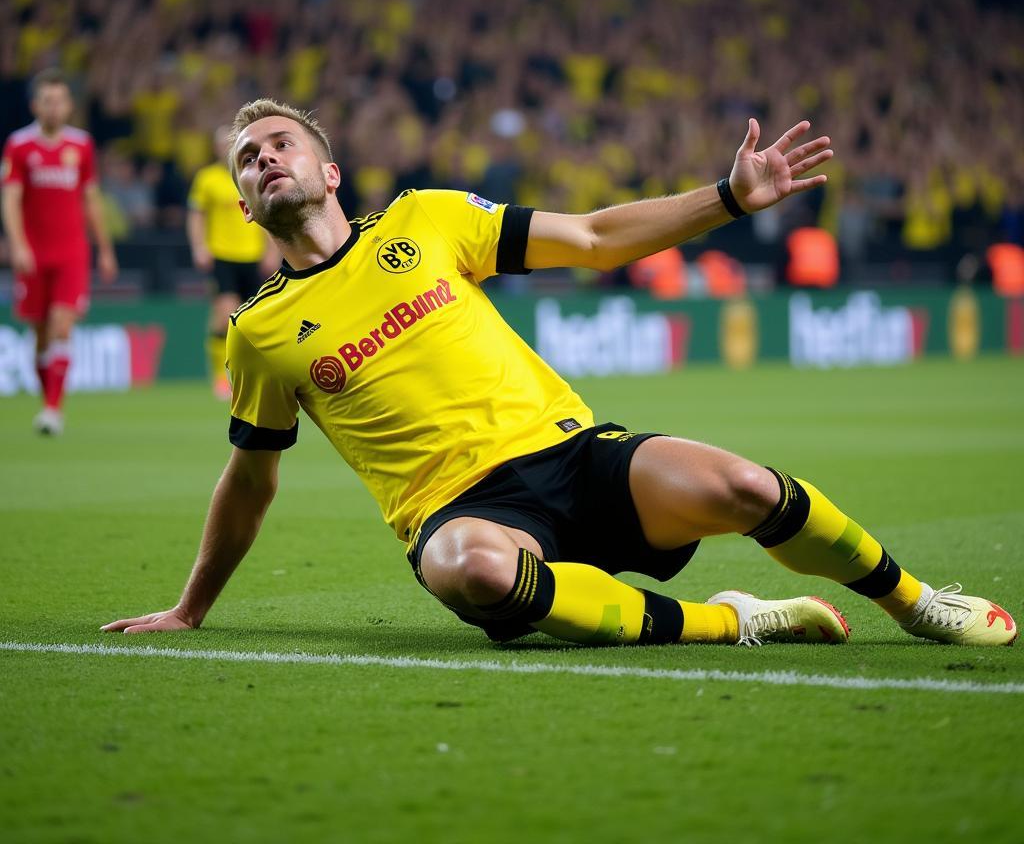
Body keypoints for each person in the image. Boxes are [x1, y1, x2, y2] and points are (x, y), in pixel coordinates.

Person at [102, 99, 1017, 647]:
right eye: (248, 161)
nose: (266, 160)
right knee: (471, 570)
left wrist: (731, 196)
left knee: (746, 485)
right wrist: (190, 608)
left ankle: (914, 601)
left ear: (329, 169)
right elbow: (251, 479)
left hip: (574, 455)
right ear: (244, 205)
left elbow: (592, 238)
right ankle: (733, 621)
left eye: (279, 145)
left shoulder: (426, 220)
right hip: (462, 513)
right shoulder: (260, 333)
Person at [1, 70, 118, 435]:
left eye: (61, 100)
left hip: (71, 252)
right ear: (35, 105)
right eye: (47, 100)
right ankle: (47, 399)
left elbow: (91, 199)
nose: (55, 107)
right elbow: (11, 199)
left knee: (60, 326)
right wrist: (18, 244)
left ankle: (53, 409)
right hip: (33, 254)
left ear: (69, 105)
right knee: (39, 333)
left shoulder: (81, 146)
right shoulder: (19, 146)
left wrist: (105, 249)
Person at [187, 125, 276, 399]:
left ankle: (256, 374)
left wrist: (272, 250)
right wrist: (200, 247)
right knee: (225, 316)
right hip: (223, 255)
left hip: (253, 256)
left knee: (255, 321)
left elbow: (268, 213)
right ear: (214, 147)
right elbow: (196, 215)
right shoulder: (207, 179)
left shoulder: (253, 175)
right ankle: (219, 378)